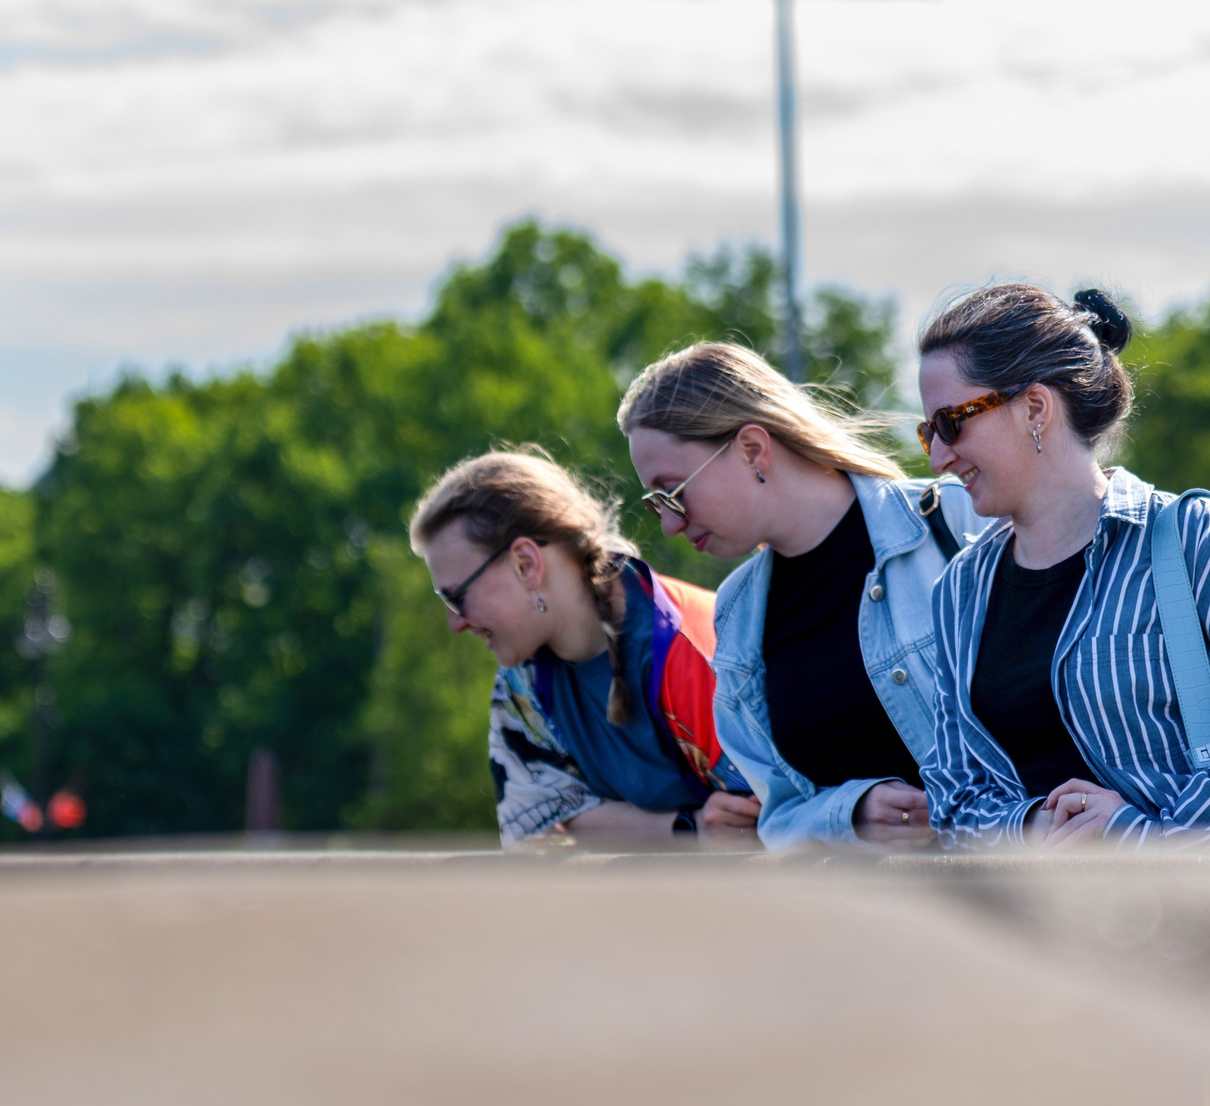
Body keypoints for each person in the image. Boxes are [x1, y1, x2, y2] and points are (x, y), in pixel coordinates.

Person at [914, 283, 1210, 847]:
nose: (937, 456)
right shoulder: (960, 589)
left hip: (1209, 926)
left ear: (1035, 407)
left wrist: (1153, 842)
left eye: (952, 423)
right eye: (928, 430)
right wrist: (1034, 828)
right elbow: (954, 796)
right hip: (1038, 931)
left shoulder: (1191, 539)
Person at [619, 343, 977, 849]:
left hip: (1030, 905)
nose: (671, 524)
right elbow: (779, 818)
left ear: (751, 449)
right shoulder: (737, 613)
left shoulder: (963, 523)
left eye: (673, 492)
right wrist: (848, 815)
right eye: (657, 503)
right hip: (869, 922)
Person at [410, 448, 760, 847]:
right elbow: (541, 825)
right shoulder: (522, 679)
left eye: (456, 599)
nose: (456, 624)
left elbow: (759, 824)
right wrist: (690, 828)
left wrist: (610, 829)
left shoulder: (683, 651)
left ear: (526, 563)